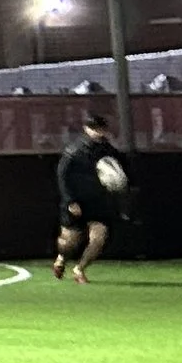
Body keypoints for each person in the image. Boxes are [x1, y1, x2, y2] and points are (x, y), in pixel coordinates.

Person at [52, 109, 129, 283]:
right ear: (86, 129)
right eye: (94, 128)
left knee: (99, 237)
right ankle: (61, 259)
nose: (98, 131)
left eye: (101, 128)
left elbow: (118, 171)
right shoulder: (74, 150)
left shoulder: (108, 150)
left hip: (98, 202)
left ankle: (79, 269)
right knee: (70, 241)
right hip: (76, 202)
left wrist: (118, 184)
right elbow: (62, 175)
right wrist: (70, 200)